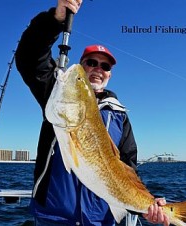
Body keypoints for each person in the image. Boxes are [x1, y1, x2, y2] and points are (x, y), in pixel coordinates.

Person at [15, 0, 170, 225]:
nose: (98, 69)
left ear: (110, 75)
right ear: (82, 64)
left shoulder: (120, 116)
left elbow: (128, 167)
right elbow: (30, 56)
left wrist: (146, 206)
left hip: (101, 221)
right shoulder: (56, 95)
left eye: (105, 66)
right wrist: (55, 20)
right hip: (53, 217)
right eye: (91, 63)